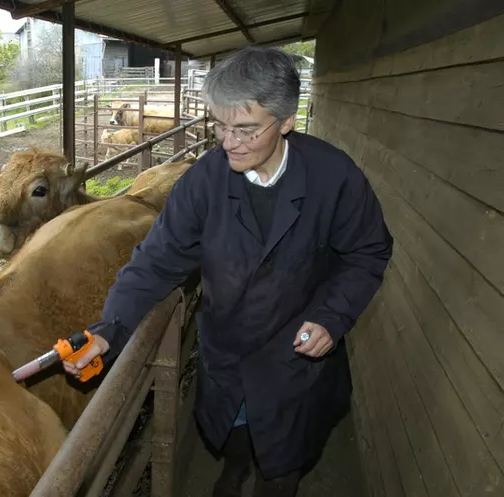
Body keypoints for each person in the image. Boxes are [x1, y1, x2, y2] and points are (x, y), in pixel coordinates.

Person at [63, 45, 393, 497]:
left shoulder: (334, 177)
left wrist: (333, 317)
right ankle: (235, 468)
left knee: (282, 464)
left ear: (286, 123)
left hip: (295, 353)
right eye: (220, 125)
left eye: (245, 129)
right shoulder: (204, 181)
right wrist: (109, 329)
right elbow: (155, 260)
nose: (227, 141)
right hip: (229, 345)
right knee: (235, 429)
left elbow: (369, 252)